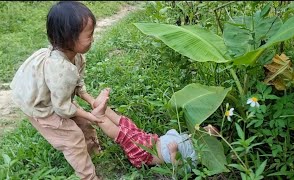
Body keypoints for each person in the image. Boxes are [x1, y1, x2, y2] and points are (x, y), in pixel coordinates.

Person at [10, 2, 103, 180]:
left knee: (84, 124)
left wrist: (90, 100)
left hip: (57, 98)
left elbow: (76, 84)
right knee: (73, 138)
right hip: (41, 105)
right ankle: (88, 176)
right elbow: (61, 108)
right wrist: (90, 115)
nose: (93, 39)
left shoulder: (76, 57)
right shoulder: (60, 69)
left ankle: (95, 152)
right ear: (69, 38)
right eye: (89, 35)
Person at [90, 88, 219, 168]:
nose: (201, 132)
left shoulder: (196, 155)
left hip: (146, 153)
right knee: (127, 123)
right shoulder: (189, 136)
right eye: (204, 128)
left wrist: (174, 153)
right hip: (149, 140)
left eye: (206, 133)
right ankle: (103, 107)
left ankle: (100, 117)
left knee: (124, 136)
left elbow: (181, 167)